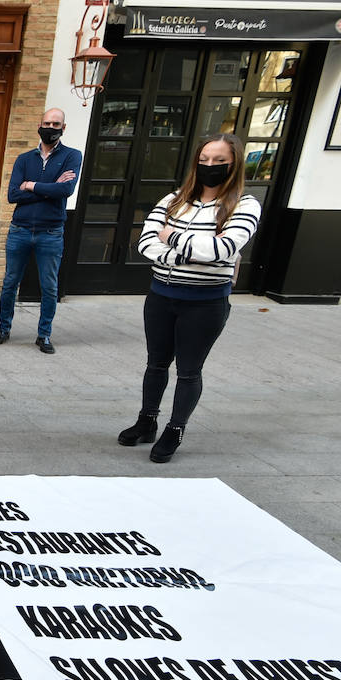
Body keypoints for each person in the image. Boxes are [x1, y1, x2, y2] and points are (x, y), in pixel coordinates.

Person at [119, 133, 261, 463]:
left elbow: (223, 249)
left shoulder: (244, 205)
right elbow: (145, 243)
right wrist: (188, 253)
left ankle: (175, 429)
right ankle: (147, 420)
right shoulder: (173, 200)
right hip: (161, 296)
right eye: (205, 159)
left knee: (188, 371)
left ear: (234, 164)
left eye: (220, 161)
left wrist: (174, 237)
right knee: (155, 364)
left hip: (206, 302)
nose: (210, 166)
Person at [0, 108, 82, 354]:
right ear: (39, 125)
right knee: (10, 282)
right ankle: (3, 328)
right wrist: (48, 188)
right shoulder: (24, 159)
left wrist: (30, 185)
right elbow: (12, 195)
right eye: (47, 123)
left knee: (49, 286)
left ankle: (44, 335)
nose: (50, 127)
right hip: (19, 230)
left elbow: (65, 191)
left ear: (64, 128)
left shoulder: (72, 156)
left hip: (50, 232)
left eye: (56, 123)